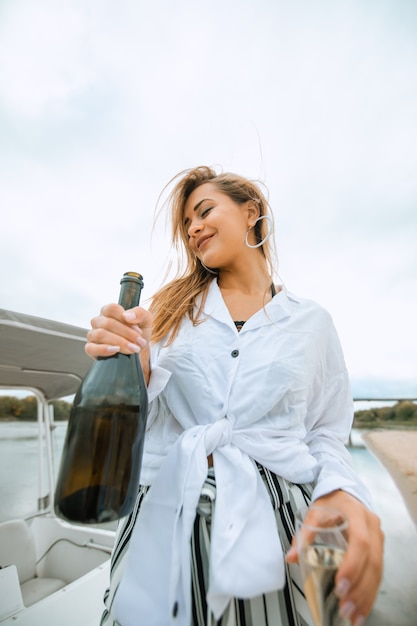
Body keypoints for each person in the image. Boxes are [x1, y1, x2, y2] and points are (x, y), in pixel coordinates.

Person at [86, 166, 383, 626]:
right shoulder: (165, 311)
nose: (193, 229)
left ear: (251, 213)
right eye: (187, 225)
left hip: (284, 517)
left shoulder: (312, 322)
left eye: (204, 212)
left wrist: (344, 491)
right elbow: (133, 424)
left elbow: (325, 431)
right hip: (166, 514)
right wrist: (133, 364)